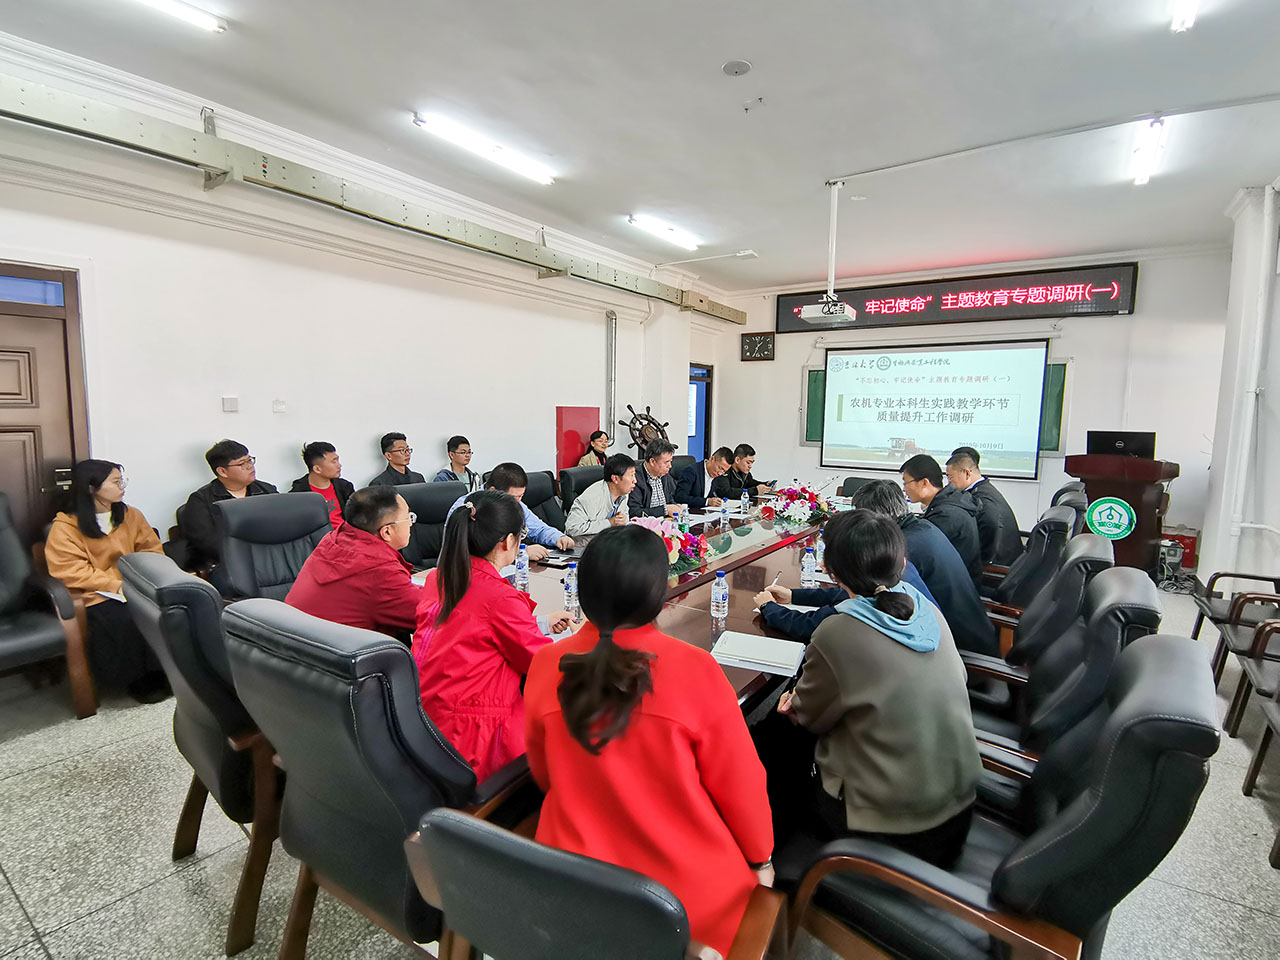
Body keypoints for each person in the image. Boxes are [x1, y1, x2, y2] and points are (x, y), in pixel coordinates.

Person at [525, 525, 773, 957]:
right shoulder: (696, 668)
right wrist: (761, 858)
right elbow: (740, 783)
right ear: (659, 596)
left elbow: (543, 774)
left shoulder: (547, 663)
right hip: (680, 903)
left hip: (572, 884)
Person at [777, 509, 981, 868]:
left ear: (831, 571)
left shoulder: (838, 632)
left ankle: (773, 868)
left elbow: (806, 717)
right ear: (901, 563)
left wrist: (793, 701)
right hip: (958, 806)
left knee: (775, 744)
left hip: (890, 827)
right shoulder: (924, 607)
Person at [414, 491, 571, 781]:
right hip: (472, 735)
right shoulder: (499, 597)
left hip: (427, 718)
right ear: (508, 541)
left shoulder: (440, 577)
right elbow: (541, 663)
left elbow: (476, 631)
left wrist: (539, 624)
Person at [44, 460, 169, 702]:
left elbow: (151, 550)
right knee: (122, 617)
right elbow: (70, 570)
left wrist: (142, 581)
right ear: (92, 488)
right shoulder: (66, 526)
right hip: (96, 592)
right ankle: (135, 680)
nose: (122, 487)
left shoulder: (131, 515)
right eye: (115, 482)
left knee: (169, 608)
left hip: (135, 584)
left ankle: (166, 672)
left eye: (122, 481)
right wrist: (116, 585)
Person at [850, 481, 997, 656]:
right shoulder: (924, 527)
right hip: (972, 632)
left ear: (875, 518)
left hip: (956, 647)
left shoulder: (903, 548)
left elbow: (878, 600)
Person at [285, 486, 422, 637]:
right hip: (339, 650)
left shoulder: (334, 540)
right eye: (408, 517)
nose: (411, 523)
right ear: (387, 532)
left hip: (298, 645)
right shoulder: (378, 570)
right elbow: (432, 613)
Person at [754, 551, 937, 643]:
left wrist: (768, 606)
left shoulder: (848, 617)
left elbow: (807, 626)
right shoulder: (898, 588)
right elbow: (839, 594)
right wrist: (793, 595)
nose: (823, 568)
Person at [179, 439, 277, 572]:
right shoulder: (201, 500)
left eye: (249, 460)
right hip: (228, 564)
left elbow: (283, 525)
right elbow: (209, 544)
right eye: (242, 463)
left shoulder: (266, 490)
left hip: (270, 558)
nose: (250, 466)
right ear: (222, 471)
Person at [446, 462, 574, 562]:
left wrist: (559, 538)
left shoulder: (515, 503)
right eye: (514, 497)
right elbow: (468, 550)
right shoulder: (467, 507)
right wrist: (522, 552)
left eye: (521, 496)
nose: (518, 502)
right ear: (493, 491)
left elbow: (539, 529)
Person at [901, 453, 984, 590]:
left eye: (906, 483)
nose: (904, 489)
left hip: (954, 588)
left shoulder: (946, 515)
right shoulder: (947, 503)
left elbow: (920, 551)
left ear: (924, 482)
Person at [946, 447, 1022, 566]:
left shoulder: (981, 500)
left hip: (998, 565)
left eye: (950, 477)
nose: (949, 483)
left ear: (967, 473)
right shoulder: (984, 489)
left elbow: (991, 525)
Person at [564, 453, 634, 538]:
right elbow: (572, 528)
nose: (635, 480)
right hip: (582, 543)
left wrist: (624, 519)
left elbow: (625, 514)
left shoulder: (623, 492)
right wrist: (609, 523)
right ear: (615, 479)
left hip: (608, 539)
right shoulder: (592, 497)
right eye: (631, 475)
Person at [289, 441, 355, 529]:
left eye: (337, 460)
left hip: (345, 533)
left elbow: (356, 515)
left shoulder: (345, 487)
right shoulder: (298, 495)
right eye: (334, 462)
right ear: (317, 469)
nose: (339, 465)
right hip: (319, 536)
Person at [628, 439, 683, 518]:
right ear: (652, 461)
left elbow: (672, 498)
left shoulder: (665, 475)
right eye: (666, 462)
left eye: (670, 461)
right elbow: (634, 512)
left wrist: (676, 506)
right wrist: (665, 510)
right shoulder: (635, 479)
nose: (670, 466)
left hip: (667, 521)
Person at [709, 443, 774, 500]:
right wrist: (755, 490)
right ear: (737, 460)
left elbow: (751, 483)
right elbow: (727, 492)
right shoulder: (724, 470)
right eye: (748, 462)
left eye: (752, 463)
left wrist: (766, 484)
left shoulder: (744, 473)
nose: (750, 466)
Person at [674, 446, 731, 511]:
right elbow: (680, 497)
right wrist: (706, 501)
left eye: (724, 471)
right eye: (720, 468)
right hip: (689, 512)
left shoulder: (717, 476)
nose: (720, 473)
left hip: (706, 513)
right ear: (712, 459)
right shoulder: (691, 471)